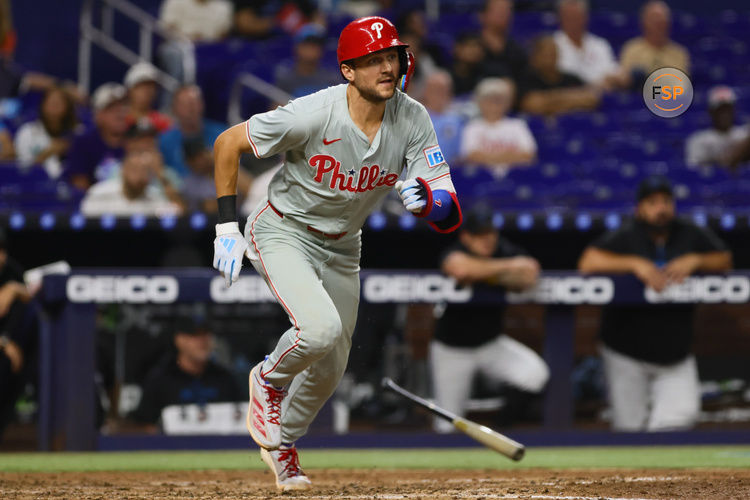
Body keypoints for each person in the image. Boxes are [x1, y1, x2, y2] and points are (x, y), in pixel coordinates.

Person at [211, 16, 462, 491]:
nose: (387, 67)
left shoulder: (413, 118)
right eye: (373, 60)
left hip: (344, 244)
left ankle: (281, 445)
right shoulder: (313, 113)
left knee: (331, 365)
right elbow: (228, 144)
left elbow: (449, 213)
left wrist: (431, 202)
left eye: (392, 56)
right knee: (319, 330)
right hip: (285, 229)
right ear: (349, 71)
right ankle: (267, 379)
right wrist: (226, 225)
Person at [578, 175, 732, 431]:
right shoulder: (627, 235)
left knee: (679, 419)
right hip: (625, 352)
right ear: (640, 208)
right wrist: (633, 263)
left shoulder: (689, 233)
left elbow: (724, 259)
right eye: (652, 203)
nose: (660, 209)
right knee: (629, 427)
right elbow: (588, 262)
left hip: (675, 355)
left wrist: (696, 260)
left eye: (665, 202)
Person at [431, 204, 548, 432]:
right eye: (479, 235)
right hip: (451, 349)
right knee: (446, 425)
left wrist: (485, 273)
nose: (487, 240)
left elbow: (529, 272)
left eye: (490, 233)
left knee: (535, 374)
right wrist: (506, 270)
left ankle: (499, 429)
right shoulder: (455, 250)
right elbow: (460, 269)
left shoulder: (503, 249)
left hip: (490, 344)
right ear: (466, 236)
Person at [130, 314, 242, 429]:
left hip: (221, 445)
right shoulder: (161, 380)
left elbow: (243, 418)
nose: (202, 341)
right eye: (195, 335)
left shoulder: (225, 378)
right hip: (175, 445)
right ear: (179, 340)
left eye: (206, 334)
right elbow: (145, 426)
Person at [0, 228, 37, 441]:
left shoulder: (11, 272)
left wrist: (14, 288)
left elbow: (35, 293)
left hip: (11, 348)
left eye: (2, 251)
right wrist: (5, 343)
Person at [460, 78, 536, 178]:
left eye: (498, 101)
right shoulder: (472, 127)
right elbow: (471, 156)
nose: (493, 105)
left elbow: (529, 154)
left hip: (517, 178)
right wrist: (509, 156)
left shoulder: (518, 125)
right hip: (482, 179)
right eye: (488, 100)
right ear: (479, 103)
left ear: (507, 103)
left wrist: (490, 158)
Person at [64, 83, 128, 191]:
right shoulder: (84, 143)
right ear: (98, 115)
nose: (120, 113)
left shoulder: (137, 141)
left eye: (124, 107)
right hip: (95, 205)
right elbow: (79, 187)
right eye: (111, 109)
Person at [80, 149, 182, 216]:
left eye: (145, 171)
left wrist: (160, 174)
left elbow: (178, 213)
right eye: (134, 170)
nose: (139, 175)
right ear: (123, 171)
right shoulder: (100, 194)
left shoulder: (154, 198)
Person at [517, 35, 601, 116]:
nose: (550, 59)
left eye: (553, 53)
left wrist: (550, 103)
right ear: (535, 57)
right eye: (546, 54)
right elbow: (533, 105)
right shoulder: (526, 79)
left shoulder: (571, 79)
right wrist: (574, 98)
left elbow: (591, 99)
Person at [159, 85, 226, 178]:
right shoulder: (164, 141)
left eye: (194, 103)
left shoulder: (223, 135)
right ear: (174, 109)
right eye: (185, 105)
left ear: (202, 105)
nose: (191, 109)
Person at [619, 1, 690, 88]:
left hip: (668, 98)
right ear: (644, 22)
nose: (658, 24)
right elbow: (624, 81)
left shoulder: (679, 53)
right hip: (639, 98)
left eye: (662, 20)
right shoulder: (631, 49)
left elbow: (682, 87)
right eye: (654, 19)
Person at [553, 0, 621, 90]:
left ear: (585, 18)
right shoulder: (553, 45)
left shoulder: (600, 44)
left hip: (602, 96)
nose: (573, 22)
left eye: (577, 17)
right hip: (569, 96)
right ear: (560, 18)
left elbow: (613, 73)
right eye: (568, 17)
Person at [14, 86, 78, 179]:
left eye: (59, 102)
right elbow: (23, 170)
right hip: (36, 185)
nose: (54, 106)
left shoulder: (78, 134)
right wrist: (47, 153)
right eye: (51, 102)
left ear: (68, 107)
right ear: (42, 105)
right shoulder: (27, 132)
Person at [685, 86, 750, 168]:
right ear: (711, 112)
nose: (725, 115)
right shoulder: (698, 140)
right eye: (720, 110)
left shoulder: (744, 133)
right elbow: (694, 170)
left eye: (728, 109)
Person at [273, 23, 339, 99]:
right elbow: (277, 108)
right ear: (297, 47)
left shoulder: (331, 78)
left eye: (316, 45)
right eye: (308, 44)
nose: (312, 49)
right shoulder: (286, 79)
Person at [420, 70, 464, 166]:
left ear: (450, 92)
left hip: (451, 174)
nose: (439, 93)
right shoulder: (414, 118)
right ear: (425, 91)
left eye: (443, 89)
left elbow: (461, 153)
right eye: (434, 89)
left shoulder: (457, 119)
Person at [479, 0, 527, 83]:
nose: (504, 14)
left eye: (507, 10)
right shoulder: (472, 46)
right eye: (498, 10)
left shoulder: (517, 50)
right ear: (483, 15)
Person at [123, 62, 171, 133]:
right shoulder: (120, 121)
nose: (147, 91)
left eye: (151, 86)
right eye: (141, 86)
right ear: (130, 90)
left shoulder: (164, 123)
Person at [180, 137, 217, 213]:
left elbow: (247, 189)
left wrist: (219, 161)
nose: (199, 161)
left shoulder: (224, 170)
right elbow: (210, 208)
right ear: (188, 162)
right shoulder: (189, 183)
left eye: (201, 155)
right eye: (194, 159)